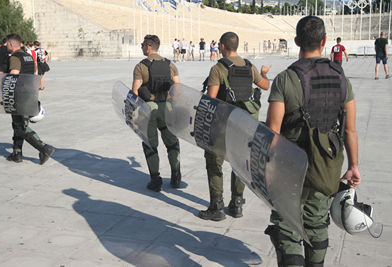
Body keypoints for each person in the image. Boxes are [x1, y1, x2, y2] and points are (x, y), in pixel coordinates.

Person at [265, 16, 361, 266]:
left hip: (289, 167)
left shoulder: (286, 79)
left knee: (287, 226)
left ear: (297, 41)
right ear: (325, 41)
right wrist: (353, 166)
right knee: (317, 225)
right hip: (326, 167)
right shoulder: (341, 79)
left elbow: (272, 131)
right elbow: (350, 130)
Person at [199, 31, 271, 221]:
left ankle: (217, 207)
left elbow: (211, 99)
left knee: (214, 162)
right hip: (244, 124)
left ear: (222, 46)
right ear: (236, 46)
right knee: (239, 163)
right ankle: (237, 204)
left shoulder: (218, 69)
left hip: (222, 124)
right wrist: (263, 73)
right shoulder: (249, 66)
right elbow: (265, 85)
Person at [132, 34, 182, 192]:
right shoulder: (170, 65)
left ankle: (155, 180)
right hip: (167, 109)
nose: (141, 47)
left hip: (149, 110)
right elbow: (178, 89)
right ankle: (176, 177)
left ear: (148, 46)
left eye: (142, 45)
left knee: (150, 145)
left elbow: (134, 92)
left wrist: (133, 113)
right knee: (172, 144)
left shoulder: (141, 67)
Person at [5, 34, 55, 164]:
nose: (5, 45)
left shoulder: (15, 57)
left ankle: (44, 148)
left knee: (21, 126)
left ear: (11, 44)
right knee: (18, 124)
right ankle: (17, 153)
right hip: (29, 93)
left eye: (7, 43)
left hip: (19, 95)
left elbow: (13, 76)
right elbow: (35, 73)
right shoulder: (28, 56)